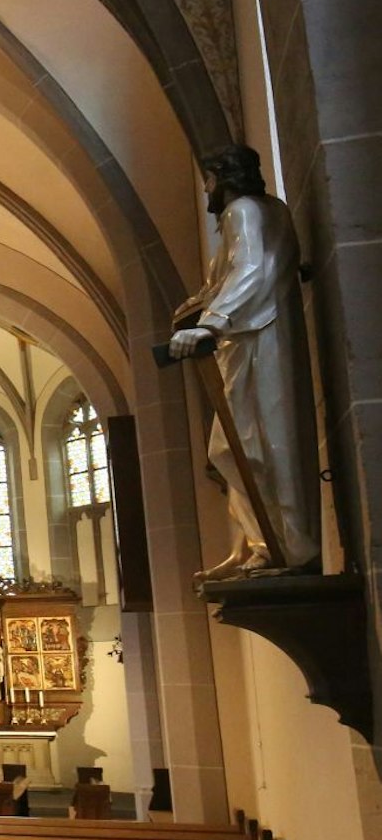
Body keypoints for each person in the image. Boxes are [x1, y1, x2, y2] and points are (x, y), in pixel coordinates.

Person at [168, 145, 319, 579]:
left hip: (256, 338)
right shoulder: (268, 210)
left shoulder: (243, 211)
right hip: (254, 336)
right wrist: (193, 307)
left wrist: (210, 324)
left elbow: (251, 269)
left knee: (255, 445)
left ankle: (286, 547)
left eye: (210, 181)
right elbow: (231, 277)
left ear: (225, 177)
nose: (207, 191)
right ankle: (258, 543)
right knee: (238, 447)